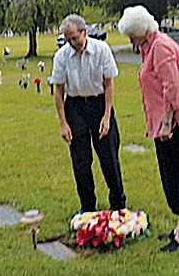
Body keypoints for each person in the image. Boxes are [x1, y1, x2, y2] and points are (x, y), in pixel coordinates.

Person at [118, 5, 179, 252]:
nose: (131, 40)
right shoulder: (149, 47)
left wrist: (166, 124)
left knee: (178, 175)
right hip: (162, 124)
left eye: (132, 35)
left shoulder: (161, 47)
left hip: (175, 126)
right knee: (169, 175)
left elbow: (172, 89)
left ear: (142, 30)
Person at [51, 14, 126, 213]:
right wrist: (63, 123)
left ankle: (118, 205)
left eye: (74, 38)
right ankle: (87, 206)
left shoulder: (101, 50)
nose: (72, 43)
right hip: (75, 108)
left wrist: (107, 115)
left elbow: (109, 84)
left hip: (99, 104)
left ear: (84, 32)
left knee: (109, 156)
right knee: (81, 161)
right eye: (68, 39)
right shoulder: (61, 56)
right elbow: (58, 91)